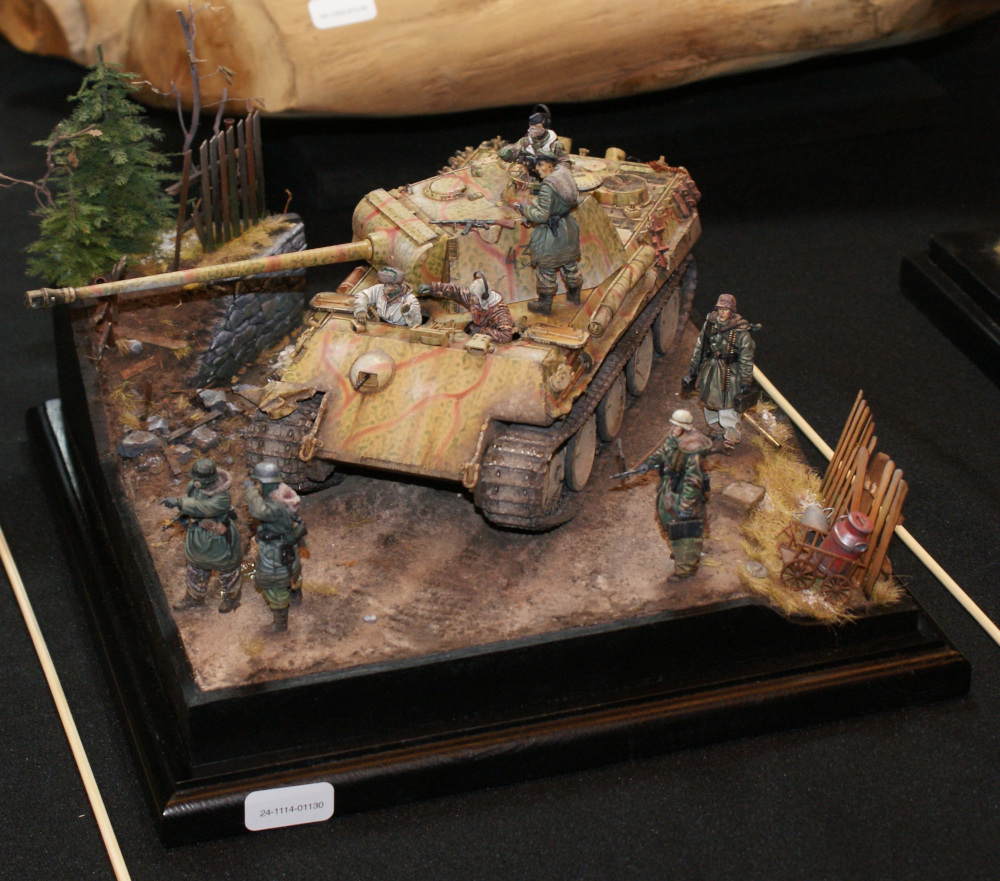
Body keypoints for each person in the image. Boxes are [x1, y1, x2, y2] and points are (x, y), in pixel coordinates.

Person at [638, 409, 712, 581]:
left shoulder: (692, 451)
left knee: (685, 532)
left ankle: (685, 568)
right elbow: (664, 452)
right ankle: (680, 553)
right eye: (673, 425)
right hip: (670, 488)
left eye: (677, 426)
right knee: (668, 522)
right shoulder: (674, 439)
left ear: (685, 428)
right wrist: (649, 463)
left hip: (684, 494)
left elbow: (693, 481)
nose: (673, 429)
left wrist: (686, 508)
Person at [162, 458, 243, 613]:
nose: (197, 482)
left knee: (228, 571)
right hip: (199, 535)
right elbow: (193, 503)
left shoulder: (222, 497)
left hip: (219, 538)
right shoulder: (194, 486)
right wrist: (190, 516)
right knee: (196, 568)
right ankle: (195, 597)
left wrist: (180, 503)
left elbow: (204, 507)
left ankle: (232, 598)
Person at [682, 293, 757, 451]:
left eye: (726, 309)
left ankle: (731, 436)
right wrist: (694, 367)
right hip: (711, 370)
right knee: (708, 403)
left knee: (728, 407)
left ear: (732, 311)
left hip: (730, 375)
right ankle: (716, 428)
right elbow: (700, 346)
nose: (722, 312)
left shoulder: (740, 332)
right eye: (720, 309)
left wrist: (745, 382)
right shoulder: (710, 324)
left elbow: (746, 358)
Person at [514, 150, 582, 314]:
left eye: (541, 165)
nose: (537, 169)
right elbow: (575, 201)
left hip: (552, 233)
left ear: (550, 165)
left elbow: (541, 216)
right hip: (568, 227)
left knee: (546, 268)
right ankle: (574, 296)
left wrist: (524, 210)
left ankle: (544, 304)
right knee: (570, 264)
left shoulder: (547, 186)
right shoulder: (564, 176)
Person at [244, 461, 308, 634]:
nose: (257, 486)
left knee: (273, 583)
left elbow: (258, 511)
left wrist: (250, 491)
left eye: (257, 483)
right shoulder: (283, 493)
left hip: (274, 549)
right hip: (287, 545)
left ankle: (280, 625)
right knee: (291, 570)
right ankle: (296, 597)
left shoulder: (275, 505)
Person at [417, 271, 514, 343]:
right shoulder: (473, 298)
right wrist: (432, 288)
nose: (471, 299)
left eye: (475, 297)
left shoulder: (500, 312)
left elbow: (505, 336)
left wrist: (482, 331)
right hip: (476, 330)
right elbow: (455, 291)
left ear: (484, 297)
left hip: (488, 340)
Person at [498, 104, 570, 170]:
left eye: (533, 129)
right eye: (530, 127)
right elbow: (512, 155)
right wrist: (508, 151)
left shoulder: (555, 145)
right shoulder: (524, 142)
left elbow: (565, 163)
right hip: (527, 176)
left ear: (542, 130)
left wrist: (552, 169)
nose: (528, 130)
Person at [353, 266, 421, 328]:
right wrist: (360, 310)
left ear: (396, 287)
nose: (384, 288)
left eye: (387, 285)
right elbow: (362, 295)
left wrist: (407, 314)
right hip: (380, 325)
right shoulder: (379, 289)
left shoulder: (411, 300)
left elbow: (416, 324)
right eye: (384, 284)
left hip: (400, 330)